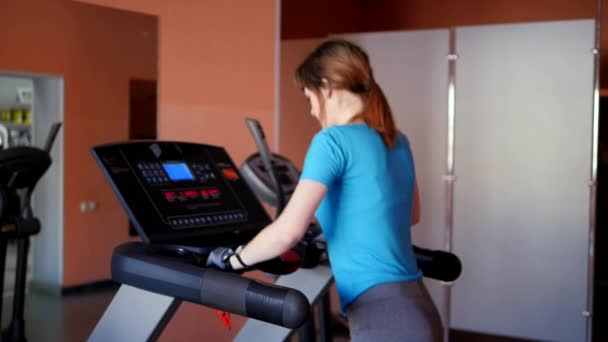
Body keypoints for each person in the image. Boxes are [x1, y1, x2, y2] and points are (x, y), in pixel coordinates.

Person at [207, 39, 443, 341]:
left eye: (309, 97)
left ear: (327, 87)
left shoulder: (332, 141)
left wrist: (232, 261)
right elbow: (410, 214)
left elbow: (286, 233)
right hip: (417, 305)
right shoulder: (397, 140)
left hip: (382, 316)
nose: (312, 110)